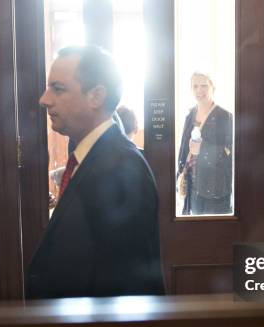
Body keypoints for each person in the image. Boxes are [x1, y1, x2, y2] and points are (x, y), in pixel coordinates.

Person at [26, 45, 165, 299]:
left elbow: (122, 285)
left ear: (96, 96)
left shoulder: (123, 169)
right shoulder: (90, 155)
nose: (44, 99)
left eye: (58, 89)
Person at [177, 72, 233, 215]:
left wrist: (203, 149)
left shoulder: (225, 116)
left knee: (215, 234)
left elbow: (230, 151)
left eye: (204, 86)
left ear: (212, 87)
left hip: (215, 188)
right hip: (192, 184)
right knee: (194, 233)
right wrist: (180, 171)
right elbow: (184, 145)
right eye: (195, 86)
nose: (199, 90)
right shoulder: (190, 114)